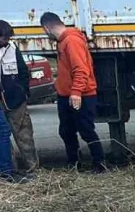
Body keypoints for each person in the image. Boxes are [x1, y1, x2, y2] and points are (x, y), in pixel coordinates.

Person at [40, 12, 105, 172]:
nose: (45, 34)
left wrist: (76, 92)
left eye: (44, 31)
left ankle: (99, 163)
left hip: (81, 95)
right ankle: (74, 163)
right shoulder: (64, 41)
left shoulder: (71, 41)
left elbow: (81, 69)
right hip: (68, 94)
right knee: (67, 131)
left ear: (47, 27)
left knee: (86, 130)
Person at [0, 20, 38, 173]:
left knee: (24, 135)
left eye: (8, 38)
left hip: (16, 99)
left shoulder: (13, 48)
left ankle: (33, 167)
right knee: (3, 138)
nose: (6, 41)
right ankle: (11, 169)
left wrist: (24, 92)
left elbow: (23, 72)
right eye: (4, 38)